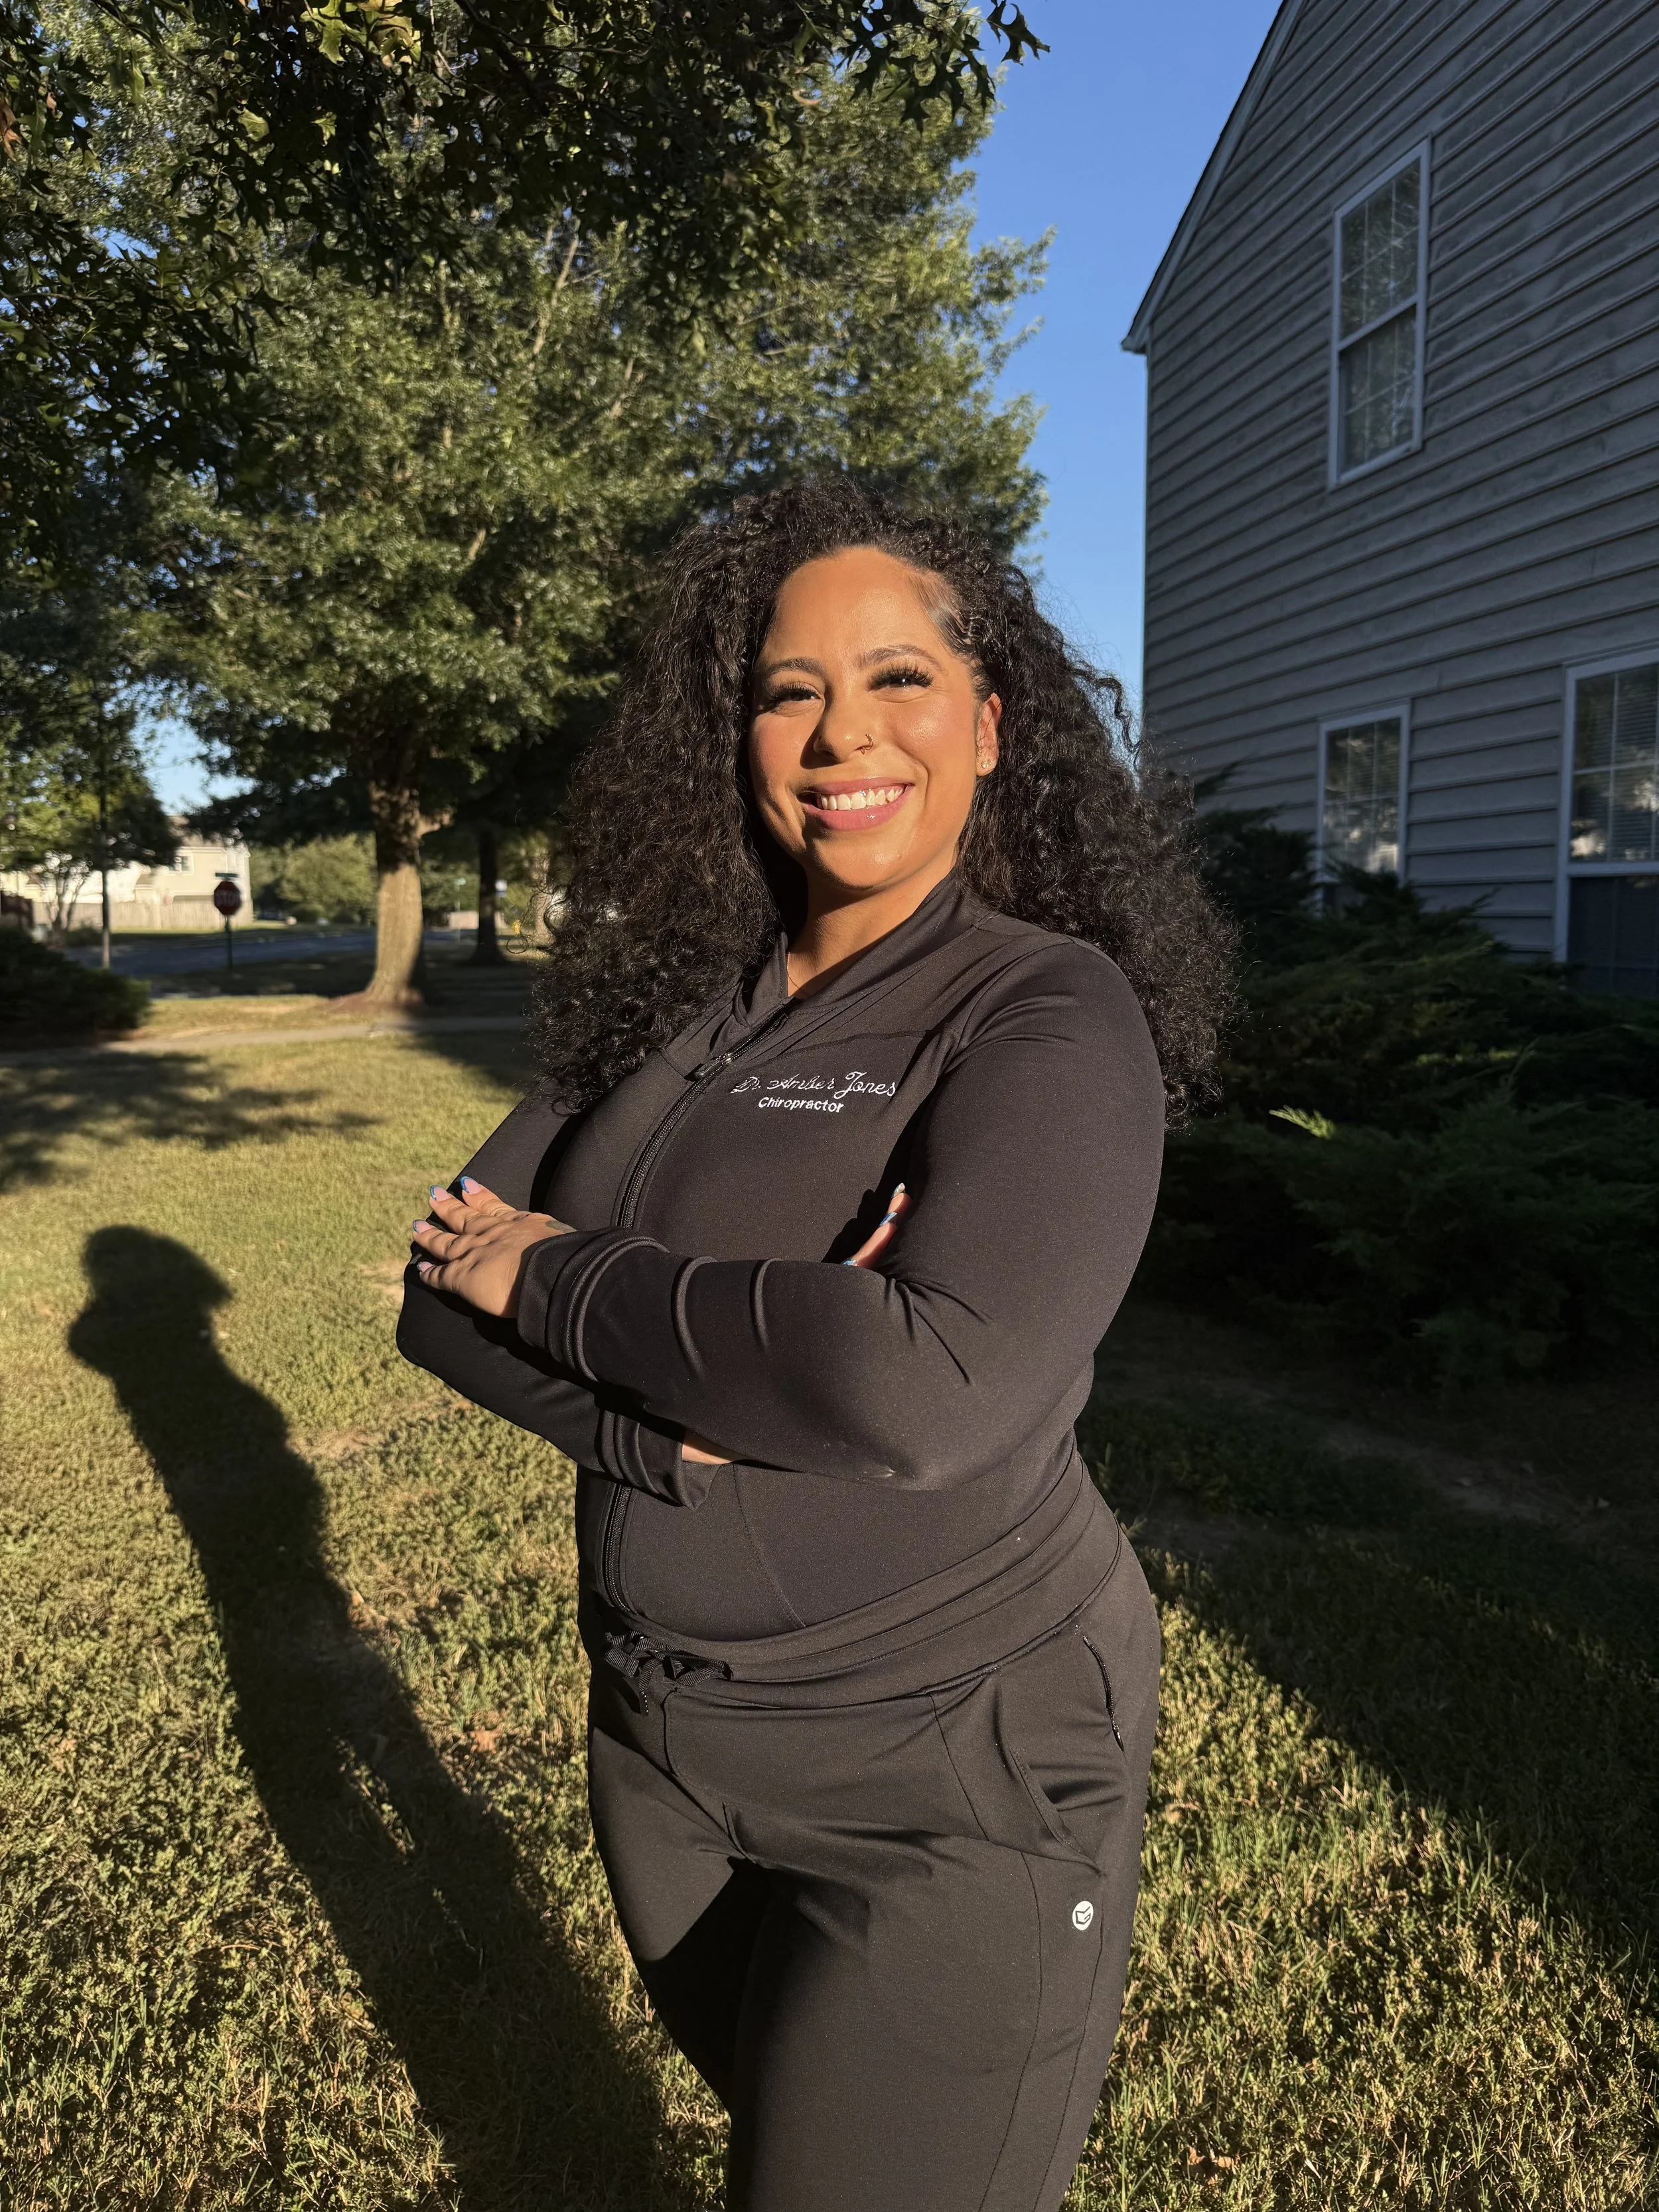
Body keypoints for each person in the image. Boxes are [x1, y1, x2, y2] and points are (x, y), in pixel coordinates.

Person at [399, 480, 1231, 2211]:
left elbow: (918, 1385)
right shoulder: (675, 1005)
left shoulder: (1040, 1012)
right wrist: (656, 1433)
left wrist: (558, 1275)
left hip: (948, 1764)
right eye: (788, 688)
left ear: (992, 725)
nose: (840, 730)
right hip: (662, 1742)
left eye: (898, 678)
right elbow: (427, 1288)